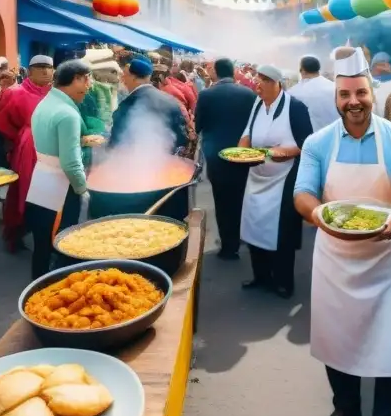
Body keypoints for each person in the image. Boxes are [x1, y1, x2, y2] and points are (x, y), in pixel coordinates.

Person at [294, 46, 391, 416]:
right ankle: (347, 409)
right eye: (344, 95)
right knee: (338, 338)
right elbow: (303, 193)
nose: (353, 102)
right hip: (334, 255)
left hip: (385, 256)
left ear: (372, 92)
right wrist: (318, 214)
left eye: (360, 93)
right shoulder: (319, 142)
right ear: (336, 98)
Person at [239, 64, 313, 298]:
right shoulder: (257, 104)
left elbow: (307, 144)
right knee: (254, 226)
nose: (257, 85)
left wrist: (286, 152)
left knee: (282, 233)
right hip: (257, 176)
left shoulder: (296, 107)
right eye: (257, 80)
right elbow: (247, 134)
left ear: (276, 83)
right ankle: (260, 276)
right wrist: (240, 152)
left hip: (283, 178)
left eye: (262, 80)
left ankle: (283, 282)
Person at [25, 60, 92, 279]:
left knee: (42, 244)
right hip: (61, 188)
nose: (88, 86)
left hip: (41, 179)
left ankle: (37, 288)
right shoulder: (68, 113)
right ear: (74, 80)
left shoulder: (46, 103)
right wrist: (83, 189)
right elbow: (70, 163)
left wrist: (81, 142)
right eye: (85, 79)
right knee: (62, 243)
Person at [195, 57, 259, 260]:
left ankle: (228, 247)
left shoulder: (206, 94)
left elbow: (198, 126)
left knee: (222, 202)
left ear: (217, 72)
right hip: (243, 155)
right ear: (232, 72)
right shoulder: (248, 94)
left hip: (217, 157)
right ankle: (243, 236)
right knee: (241, 197)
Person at [0, 55, 53, 251]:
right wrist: (21, 137)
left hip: (52, 150)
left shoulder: (56, 94)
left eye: (49, 68)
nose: (45, 71)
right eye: (40, 67)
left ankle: (47, 236)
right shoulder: (14, 93)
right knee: (23, 192)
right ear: (31, 70)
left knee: (50, 194)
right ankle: (15, 234)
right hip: (27, 151)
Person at [110, 57, 188, 151]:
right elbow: (181, 139)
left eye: (125, 75)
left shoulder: (128, 105)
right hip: (167, 161)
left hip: (136, 162)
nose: (122, 79)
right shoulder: (170, 100)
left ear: (133, 77)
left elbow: (116, 144)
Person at [289, 55, 338, 133]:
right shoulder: (335, 87)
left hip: (311, 137)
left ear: (302, 71)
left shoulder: (294, 93)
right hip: (336, 133)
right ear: (318, 69)